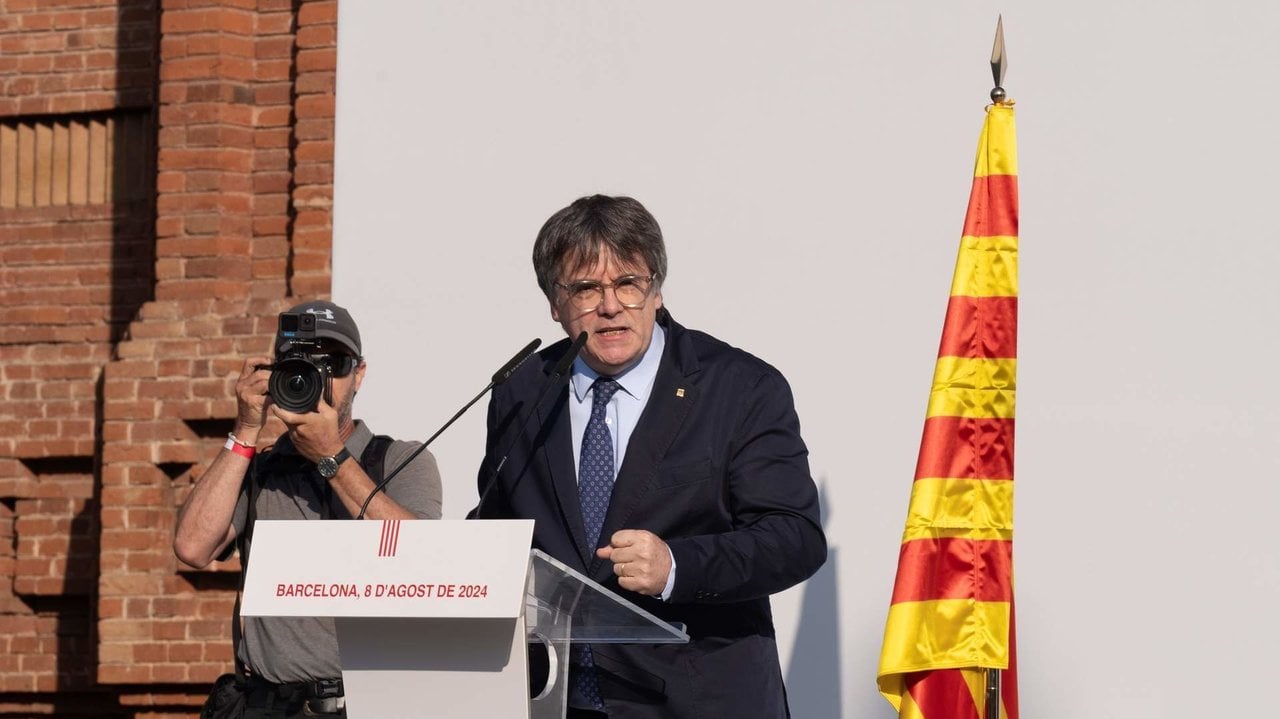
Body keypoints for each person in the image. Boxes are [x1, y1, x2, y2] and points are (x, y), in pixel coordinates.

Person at [472, 195, 826, 718]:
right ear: (554, 303)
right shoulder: (522, 391)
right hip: (556, 701)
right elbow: (499, 525)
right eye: (586, 288)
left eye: (628, 284)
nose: (610, 305)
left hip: (698, 700)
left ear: (656, 291)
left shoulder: (740, 387)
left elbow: (794, 537)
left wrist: (677, 566)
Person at [174, 300, 443, 719]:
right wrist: (245, 430)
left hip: (370, 705)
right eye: (298, 364)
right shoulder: (259, 467)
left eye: (333, 363)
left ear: (360, 374)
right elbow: (192, 547)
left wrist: (331, 457)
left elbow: (422, 557)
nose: (317, 378)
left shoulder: (399, 459)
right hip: (270, 705)